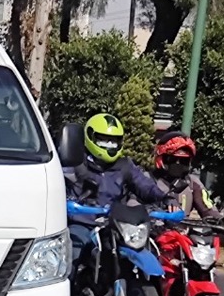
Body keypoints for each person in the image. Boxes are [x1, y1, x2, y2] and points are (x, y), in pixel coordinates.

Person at [65, 112, 172, 262]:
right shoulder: (74, 162)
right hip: (83, 224)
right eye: (104, 140)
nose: (110, 145)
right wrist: (67, 201)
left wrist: (166, 198)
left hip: (115, 225)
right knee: (73, 255)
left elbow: (145, 186)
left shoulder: (125, 165)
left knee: (146, 253)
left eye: (114, 141)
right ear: (90, 137)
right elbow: (59, 185)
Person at [151, 130, 223, 220]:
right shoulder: (147, 180)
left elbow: (208, 208)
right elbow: (134, 205)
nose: (178, 164)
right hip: (151, 231)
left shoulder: (192, 183)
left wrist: (221, 221)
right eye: (172, 159)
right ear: (161, 158)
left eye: (183, 161)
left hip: (183, 232)